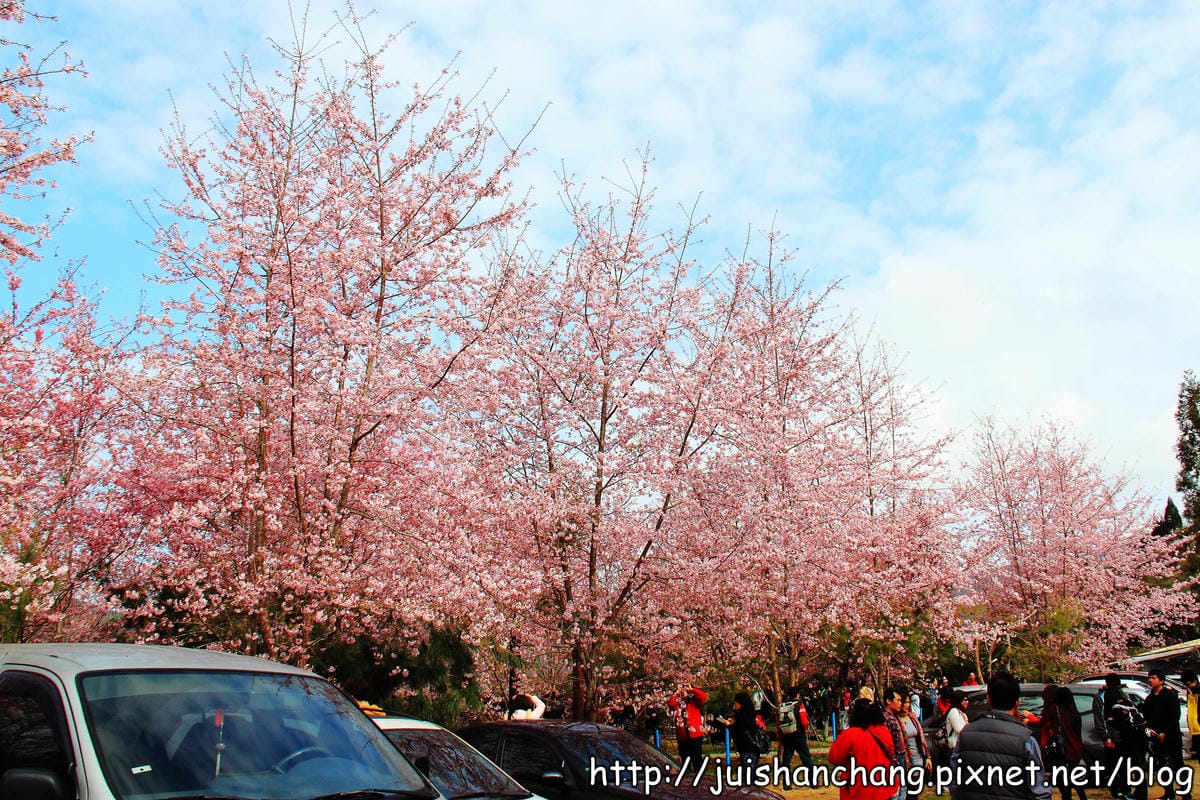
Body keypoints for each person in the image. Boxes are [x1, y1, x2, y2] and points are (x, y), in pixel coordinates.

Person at [950, 671, 1050, 800]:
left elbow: (955, 783)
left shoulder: (965, 735)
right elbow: (1040, 792)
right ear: (1017, 702)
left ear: (988, 699)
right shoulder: (1025, 739)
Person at [827, 698, 899, 800]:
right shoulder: (884, 731)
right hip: (884, 787)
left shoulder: (850, 735)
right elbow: (891, 753)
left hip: (858, 790)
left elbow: (834, 758)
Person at [1093, 674, 1147, 800]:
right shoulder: (1111, 697)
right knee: (1118, 765)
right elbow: (1103, 719)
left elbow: (1107, 718)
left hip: (1125, 736)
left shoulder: (1119, 697)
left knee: (1125, 765)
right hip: (1120, 736)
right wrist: (1106, 736)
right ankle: (1121, 790)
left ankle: (1127, 790)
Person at [1142, 668, 1183, 800]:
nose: (1150, 680)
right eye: (1149, 678)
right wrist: (1150, 729)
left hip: (1172, 736)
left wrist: (1165, 732)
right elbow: (1146, 717)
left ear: (1161, 680)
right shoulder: (1149, 699)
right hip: (1156, 737)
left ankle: (1185, 793)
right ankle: (1168, 793)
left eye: (1153, 678)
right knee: (1162, 766)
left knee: (1178, 765)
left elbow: (1175, 716)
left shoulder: (1170, 696)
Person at [720, 691, 765, 769]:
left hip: (747, 747)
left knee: (748, 772)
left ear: (741, 703)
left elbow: (739, 731)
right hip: (752, 747)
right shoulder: (750, 714)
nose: (734, 705)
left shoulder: (742, 716)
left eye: (736, 703)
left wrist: (730, 726)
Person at [667, 685, 708, 769]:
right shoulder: (677, 703)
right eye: (682, 688)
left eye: (685, 689)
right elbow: (670, 703)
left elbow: (703, 696)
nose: (683, 690)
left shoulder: (694, 701)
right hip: (682, 735)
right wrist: (677, 693)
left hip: (695, 734)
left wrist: (692, 689)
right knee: (685, 762)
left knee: (697, 760)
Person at [883, 688, 912, 800]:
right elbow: (888, 743)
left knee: (902, 789)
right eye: (898, 700)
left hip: (901, 757)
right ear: (889, 701)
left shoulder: (895, 717)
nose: (901, 703)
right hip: (894, 759)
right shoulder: (886, 718)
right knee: (895, 792)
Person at [778, 685, 814, 771]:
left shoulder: (783, 705)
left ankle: (786, 782)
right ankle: (812, 780)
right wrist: (804, 730)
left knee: (786, 760)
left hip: (787, 735)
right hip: (799, 735)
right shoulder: (799, 705)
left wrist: (780, 736)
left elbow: (779, 722)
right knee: (806, 758)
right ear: (797, 695)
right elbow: (804, 722)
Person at [1182, 669, 1199, 765]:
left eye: (1188, 684)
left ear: (1195, 682)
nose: (1187, 687)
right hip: (1195, 731)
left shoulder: (1196, 693)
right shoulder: (1190, 694)